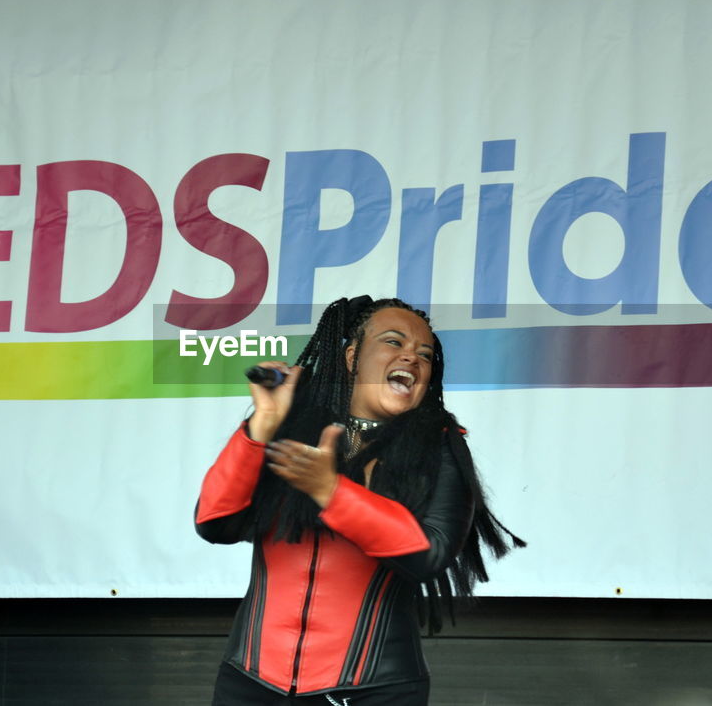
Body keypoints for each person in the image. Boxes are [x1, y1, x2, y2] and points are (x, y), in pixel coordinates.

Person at [195, 296, 524, 705]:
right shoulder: (291, 428)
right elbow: (215, 522)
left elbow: (429, 554)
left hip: (373, 691)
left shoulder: (438, 447)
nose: (412, 357)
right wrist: (260, 425)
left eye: (424, 354)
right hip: (250, 684)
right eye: (393, 342)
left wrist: (331, 491)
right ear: (352, 357)